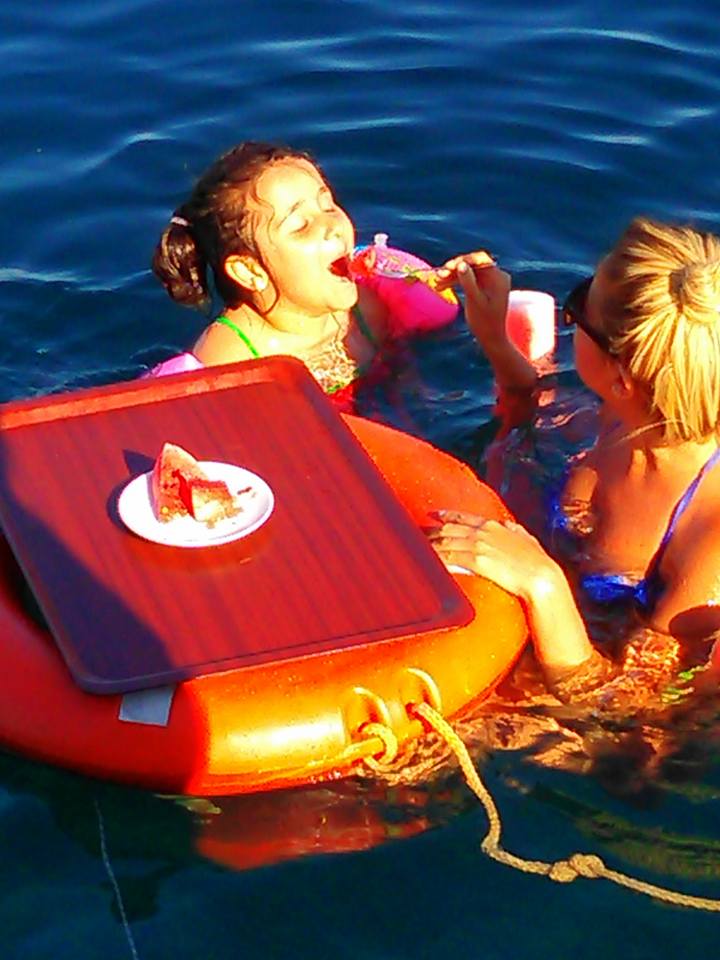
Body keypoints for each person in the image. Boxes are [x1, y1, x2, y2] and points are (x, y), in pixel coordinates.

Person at [430, 217, 720, 711]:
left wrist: (543, 586)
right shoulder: (630, 415)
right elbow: (531, 420)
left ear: (622, 378)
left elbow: (630, 710)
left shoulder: (707, 543)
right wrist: (495, 340)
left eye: (579, 306)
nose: (569, 319)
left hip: (584, 701)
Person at [149, 141, 455, 408]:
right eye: (301, 226)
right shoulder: (231, 362)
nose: (333, 226)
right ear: (250, 271)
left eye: (328, 205)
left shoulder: (370, 306)